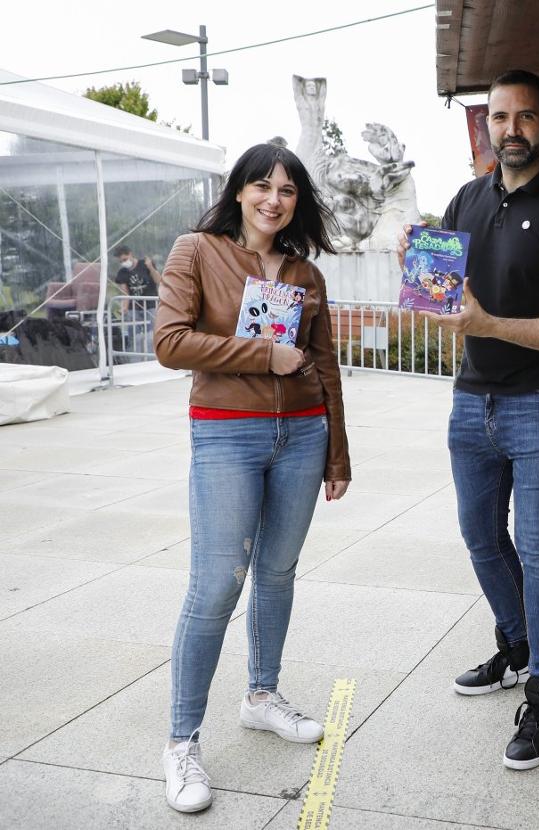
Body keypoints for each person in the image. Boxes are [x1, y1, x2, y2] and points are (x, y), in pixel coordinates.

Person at [397, 69, 539, 771]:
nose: (510, 129)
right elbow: (446, 293)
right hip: (472, 398)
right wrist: (419, 270)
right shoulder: (467, 198)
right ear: (485, 126)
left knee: (538, 544)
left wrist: (490, 322)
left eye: (524, 117)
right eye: (498, 118)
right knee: (481, 535)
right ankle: (517, 649)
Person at [153, 143, 351, 813]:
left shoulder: (305, 273)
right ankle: (181, 742)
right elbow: (170, 342)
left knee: (277, 573)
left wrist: (338, 454)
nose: (274, 199)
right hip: (225, 433)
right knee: (215, 585)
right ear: (239, 191)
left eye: (288, 190)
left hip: (303, 435)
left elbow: (325, 367)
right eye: (262, 186)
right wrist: (266, 353)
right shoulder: (197, 251)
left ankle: (262, 695)